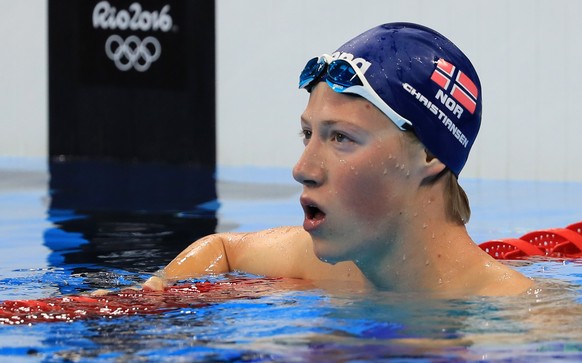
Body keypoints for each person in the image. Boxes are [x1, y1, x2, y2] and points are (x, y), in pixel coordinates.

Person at [144, 22, 533, 297]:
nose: (303, 170)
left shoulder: (518, 322)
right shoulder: (336, 267)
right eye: (308, 134)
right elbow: (224, 250)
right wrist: (160, 292)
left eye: (341, 138)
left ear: (430, 153)